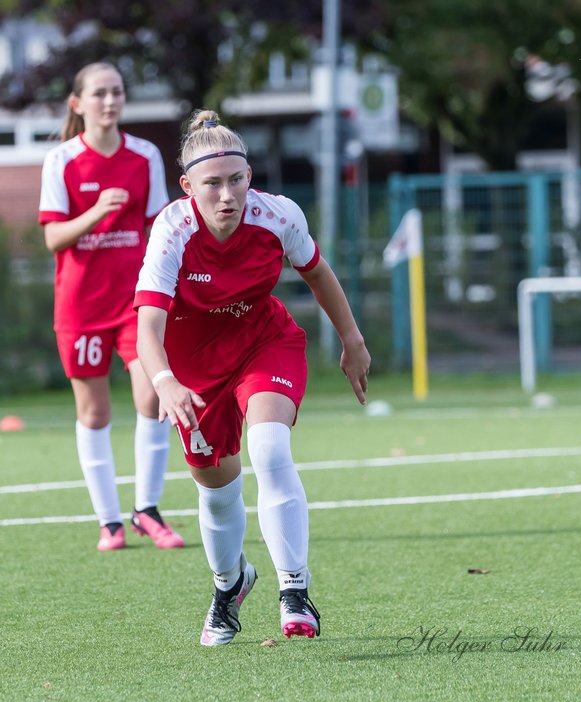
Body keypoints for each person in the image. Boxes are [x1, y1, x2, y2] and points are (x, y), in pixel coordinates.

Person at [134, 110, 370, 645]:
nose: (227, 195)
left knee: (268, 446)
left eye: (236, 180)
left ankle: (295, 590)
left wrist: (352, 340)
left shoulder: (278, 216)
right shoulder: (172, 230)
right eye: (212, 183)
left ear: (249, 178)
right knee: (217, 491)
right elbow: (148, 323)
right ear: (187, 185)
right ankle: (230, 583)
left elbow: (317, 271)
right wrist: (166, 381)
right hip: (193, 372)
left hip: (265, 344)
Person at [38, 62, 185, 553]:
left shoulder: (144, 156)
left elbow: (161, 229)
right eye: (99, 93)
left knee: (153, 398)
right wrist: (98, 210)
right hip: (80, 307)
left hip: (133, 304)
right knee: (95, 413)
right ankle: (110, 522)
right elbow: (53, 237)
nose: (109, 101)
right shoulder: (61, 161)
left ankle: (147, 510)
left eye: (117, 92)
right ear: (77, 103)